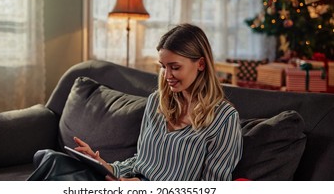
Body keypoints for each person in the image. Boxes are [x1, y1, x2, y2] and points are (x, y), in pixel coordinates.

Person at [28, 23, 243, 181]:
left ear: (201, 64)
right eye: (163, 66)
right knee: (50, 159)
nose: (167, 75)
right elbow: (140, 161)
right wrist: (105, 166)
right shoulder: (156, 103)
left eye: (175, 67)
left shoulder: (224, 119)